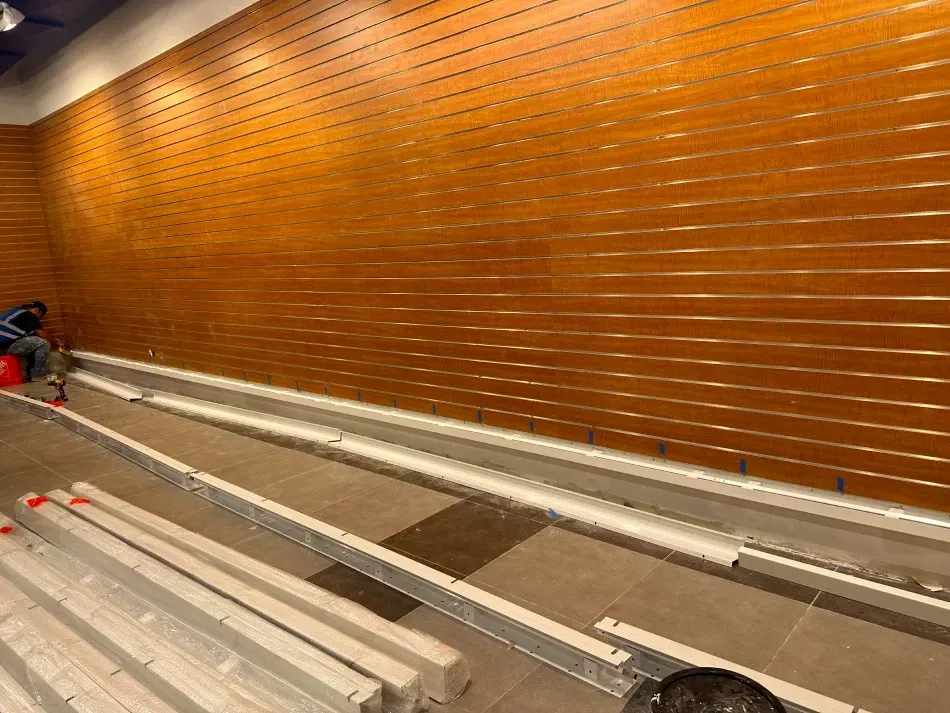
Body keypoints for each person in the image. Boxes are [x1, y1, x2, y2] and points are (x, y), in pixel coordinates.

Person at [0, 301, 65, 382]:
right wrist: (56, 343)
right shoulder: (28, 314)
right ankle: (38, 374)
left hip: (4, 345)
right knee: (43, 343)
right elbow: (41, 333)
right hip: (4, 347)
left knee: (32, 342)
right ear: (37, 310)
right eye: (39, 317)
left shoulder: (16, 313)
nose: (38, 320)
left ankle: (30, 373)